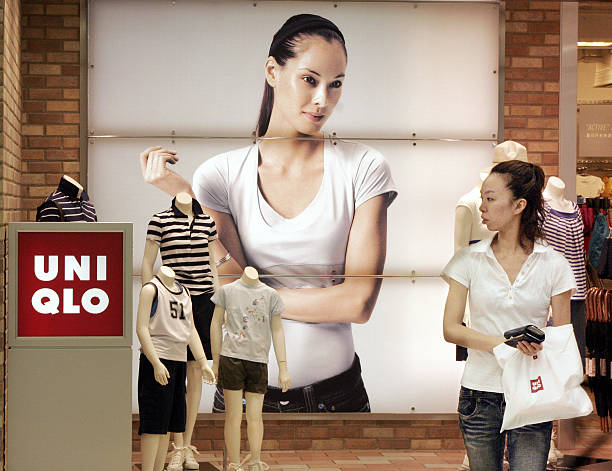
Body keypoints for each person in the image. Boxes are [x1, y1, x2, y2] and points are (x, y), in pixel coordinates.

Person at [139, 13, 397, 412]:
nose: (322, 100)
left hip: (337, 399)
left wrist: (255, 293)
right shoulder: (220, 175)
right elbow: (224, 290)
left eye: (336, 84)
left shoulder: (363, 167)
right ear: (273, 71)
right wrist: (188, 198)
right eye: (310, 79)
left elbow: (359, 302)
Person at [441, 160, 576, 471]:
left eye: (490, 198)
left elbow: (562, 335)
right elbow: (451, 328)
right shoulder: (468, 260)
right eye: (482, 198)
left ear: (518, 205)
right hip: (480, 393)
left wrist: (543, 342)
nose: (482, 207)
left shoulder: (554, 264)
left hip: (532, 391)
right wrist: (501, 343)